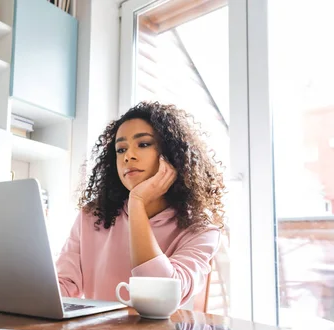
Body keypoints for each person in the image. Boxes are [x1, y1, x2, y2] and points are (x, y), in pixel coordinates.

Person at [56, 101, 225, 308]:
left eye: (143, 144)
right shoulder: (92, 215)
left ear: (171, 155)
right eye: (120, 149)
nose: (128, 156)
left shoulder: (201, 230)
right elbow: (63, 285)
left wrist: (137, 204)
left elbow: (161, 297)